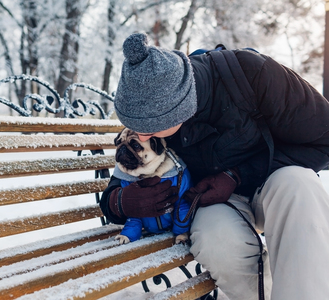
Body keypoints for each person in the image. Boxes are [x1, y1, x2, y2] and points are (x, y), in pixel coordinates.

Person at [99, 32, 329, 300]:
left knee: (300, 188)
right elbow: (117, 187)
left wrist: (236, 175)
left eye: (149, 129)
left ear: (179, 109)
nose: (142, 136)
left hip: (275, 180)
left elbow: (324, 140)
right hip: (213, 202)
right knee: (216, 240)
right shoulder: (152, 107)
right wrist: (122, 201)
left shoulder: (255, 74)